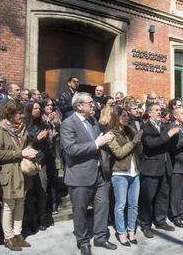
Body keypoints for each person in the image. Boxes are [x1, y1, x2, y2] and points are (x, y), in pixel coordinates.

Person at [60, 92, 116, 255]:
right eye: (90, 103)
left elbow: (97, 143)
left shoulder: (92, 121)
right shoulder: (68, 123)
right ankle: (83, 241)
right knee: (80, 211)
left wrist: (104, 140)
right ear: (79, 105)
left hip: (98, 173)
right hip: (79, 175)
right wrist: (96, 143)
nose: (94, 105)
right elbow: (70, 149)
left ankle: (100, 237)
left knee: (102, 206)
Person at [0, 100, 38, 251]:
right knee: (9, 205)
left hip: (22, 172)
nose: (22, 116)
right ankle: (9, 237)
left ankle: (18, 234)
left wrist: (30, 150)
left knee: (20, 203)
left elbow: (28, 143)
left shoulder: (22, 128)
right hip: (8, 173)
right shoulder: (0, 130)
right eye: (19, 113)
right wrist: (20, 153)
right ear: (10, 114)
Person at [139, 103, 180, 239]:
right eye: (156, 110)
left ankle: (160, 220)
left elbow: (170, 146)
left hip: (165, 166)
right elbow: (151, 144)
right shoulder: (145, 127)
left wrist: (174, 136)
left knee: (163, 196)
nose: (159, 112)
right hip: (151, 168)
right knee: (148, 198)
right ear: (149, 113)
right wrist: (169, 134)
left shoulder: (164, 126)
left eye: (160, 110)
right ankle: (146, 225)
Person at [107, 107, 143, 246]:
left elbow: (139, 152)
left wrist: (138, 140)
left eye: (127, 115)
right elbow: (119, 153)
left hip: (135, 172)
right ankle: (121, 233)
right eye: (124, 115)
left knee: (133, 205)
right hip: (120, 173)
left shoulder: (129, 131)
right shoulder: (111, 134)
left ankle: (131, 231)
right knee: (121, 205)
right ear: (116, 117)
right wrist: (134, 141)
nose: (127, 118)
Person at [23, 101, 50, 232]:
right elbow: (23, 144)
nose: (38, 110)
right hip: (28, 161)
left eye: (39, 108)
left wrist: (47, 138)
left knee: (42, 190)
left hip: (41, 160)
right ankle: (31, 220)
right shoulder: (23, 124)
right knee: (29, 192)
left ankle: (41, 217)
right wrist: (38, 138)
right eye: (35, 108)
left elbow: (48, 144)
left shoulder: (43, 124)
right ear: (29, 109)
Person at [41, 98, 62, 214]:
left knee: (53, 178)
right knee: (45, 181)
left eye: (51, 105)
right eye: (47, 105)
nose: (50, 107)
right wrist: (48, 121)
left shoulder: (54, 117)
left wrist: (56, 122)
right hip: (43, 153)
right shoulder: (41, 118)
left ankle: (53, 204)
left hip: (53, 152)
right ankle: (45, 206)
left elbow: (60, 128)